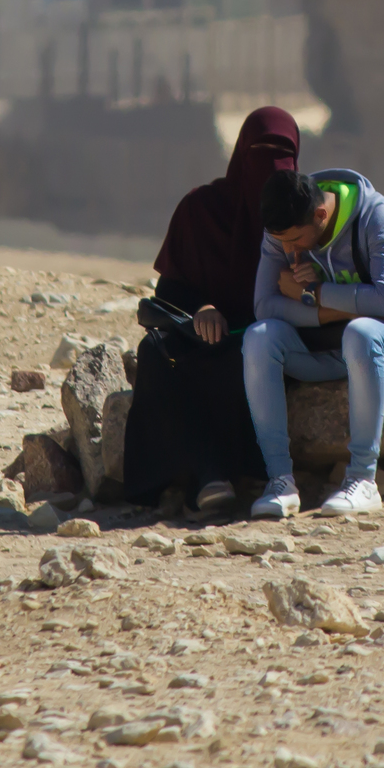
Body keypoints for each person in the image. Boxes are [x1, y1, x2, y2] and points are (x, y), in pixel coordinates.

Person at [120, 107, 299, 515]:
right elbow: (169, 290)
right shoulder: (199, 210)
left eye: (282, 154)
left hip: (262, 337)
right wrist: (202, 308)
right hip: (201, 334)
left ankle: (234, 473)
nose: (271, 167)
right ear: (240, 154)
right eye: (261, 152)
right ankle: (206, 475)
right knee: (155, 354)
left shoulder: (297, 216)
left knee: (246, 358)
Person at [242, 166, 384, 519]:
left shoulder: (375, 215)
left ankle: (363, 480)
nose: (286, 249)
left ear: (320, 215)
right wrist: (335, 309)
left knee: (361, 333)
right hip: (325, 345)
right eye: (279, 241)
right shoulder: (282, 228)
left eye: (294, 240)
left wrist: (312, 293)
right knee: (258, 339)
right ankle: (280, 483)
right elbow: (265, 306)